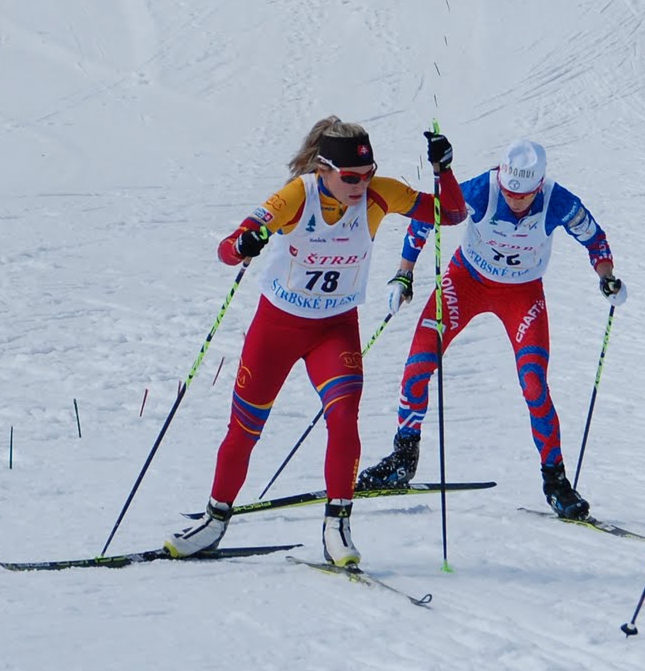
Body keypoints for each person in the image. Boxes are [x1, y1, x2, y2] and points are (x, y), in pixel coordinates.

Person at [164, 118, 463, 567]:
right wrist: (244, 243)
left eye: (366, 174)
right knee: (244, 429)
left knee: (344, 417)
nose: (361, 186)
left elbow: (451, 213)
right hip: (278, 328)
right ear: (323, 169)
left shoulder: (381, 192)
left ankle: (337, 529)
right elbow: (228, 248)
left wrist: (444, 171)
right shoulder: (297, 196)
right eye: (349, 178)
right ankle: (213, 522)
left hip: (335, 327)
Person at [356, 139, 623, 520]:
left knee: (534, 383)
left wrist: (607, 277)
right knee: (418, 364)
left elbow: (594, 238)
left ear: (539, 185)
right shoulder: (484, 189)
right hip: (466, 282)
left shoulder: (558, 200)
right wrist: (404, 273)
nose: (516, 201)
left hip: (522, 294)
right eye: (511, 192)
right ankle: (403, 458)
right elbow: (426, 219)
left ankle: (556, 482)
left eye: (524, 195)